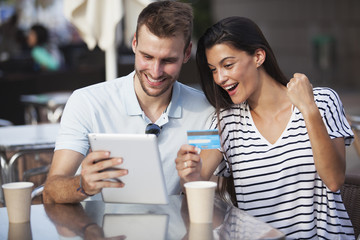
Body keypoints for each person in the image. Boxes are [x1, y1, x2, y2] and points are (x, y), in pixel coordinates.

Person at [175, 16, 355, 239]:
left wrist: (308, 109)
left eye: (228, 65)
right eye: (213, 69)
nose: (220, 78)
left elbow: (334, 179)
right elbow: (195, 184)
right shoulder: (222, 122)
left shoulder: (323, 101)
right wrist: (188, 174)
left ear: (258, 56)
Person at [43, 1, 214, 203]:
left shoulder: (207, 111)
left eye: (168, 60)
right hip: (99, 232)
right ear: (134, 44)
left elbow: (209, 189)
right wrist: (83, 184)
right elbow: (51, 191)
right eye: (147, 56)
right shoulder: (86, 103)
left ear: (187, 54)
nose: (155, 71)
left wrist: (193, 181)